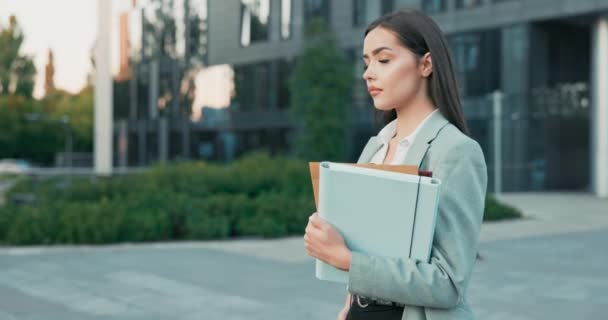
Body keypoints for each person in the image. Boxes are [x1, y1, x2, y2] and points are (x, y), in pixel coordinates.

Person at [303, 9, 488, 320]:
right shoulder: (375, 146)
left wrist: (346, 258)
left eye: (383, 60)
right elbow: (368, 244)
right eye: (366, 63)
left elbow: (448, 284)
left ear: (425, 64)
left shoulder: (455, 151)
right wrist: (348, 306)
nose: (368, 73)